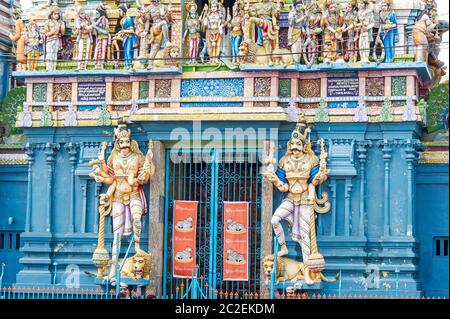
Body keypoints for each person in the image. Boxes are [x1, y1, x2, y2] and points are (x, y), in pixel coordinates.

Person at [89, 123, 155, 280]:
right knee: (116, 235)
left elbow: (145, 178)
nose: (125, 145)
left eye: (127, 142)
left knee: (137, 219)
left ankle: (138, 247)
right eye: (121, 142)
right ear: (117, 143)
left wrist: (147, 164)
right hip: (118, 196)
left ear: (131, 142)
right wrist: (100, 170)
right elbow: (110, 177)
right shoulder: (113, 158)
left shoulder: (138, 157)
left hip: (133, 194)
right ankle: (113, 270)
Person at [43, 4, 65, 71]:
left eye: (57, 14)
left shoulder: (60, 22)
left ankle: (53, 68)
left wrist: (62, 26)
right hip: (49, 39)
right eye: (55, 14)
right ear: (51, 14)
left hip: (56, 39)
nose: (56, 15)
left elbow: (62, 33)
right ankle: (48, 67)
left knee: (54, 54)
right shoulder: (48, 22)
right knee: (49, 53)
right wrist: (54, 30)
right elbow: (46, 33)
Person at [118, 4, 138, 70]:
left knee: (128, 51)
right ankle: (126, 65)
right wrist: (120, 32)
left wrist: (123, 31)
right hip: (124, 37)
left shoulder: (128, 19)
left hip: (129, 37)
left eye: (120, 10)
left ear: (123, 11)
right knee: (125, 52)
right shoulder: (122, 20)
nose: (119, 12)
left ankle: (130, 65)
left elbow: (132, 30)